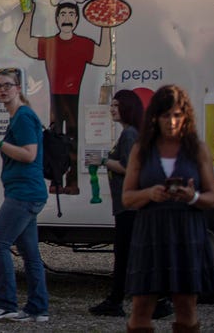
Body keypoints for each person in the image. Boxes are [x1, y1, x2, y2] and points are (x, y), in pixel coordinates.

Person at [122, 85, 214, 333]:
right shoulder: (141, 149)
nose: (172, 122)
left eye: (177, 115)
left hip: (187, 230)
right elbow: (127, 198)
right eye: (166, 116)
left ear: (185, 116)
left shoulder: (197, 149)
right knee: (141, 307)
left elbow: (212, 198)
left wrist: (192, 196)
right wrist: (149, 193)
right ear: (155, 117)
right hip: (150, 231)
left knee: (186, 307)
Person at [16, 0, 111, 194]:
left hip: (74, 96)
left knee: (73, 139)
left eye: (71, 14)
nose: (67, 19)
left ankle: (72, 182)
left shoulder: (84, 44)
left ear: (76, 19)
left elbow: (104, 57)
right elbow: (23, 43)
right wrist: (28, 15)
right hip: (56, 96)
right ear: (57, 19)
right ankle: (56, 180)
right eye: (63, 14)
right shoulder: (50, 43)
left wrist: (105, 28)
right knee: (55, 139)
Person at [0, 70, 49, 322]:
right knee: (30, 253)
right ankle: (38, 308)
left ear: (18, 88)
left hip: (24, 193)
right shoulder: (19, 116)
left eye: (8, 85)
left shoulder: (22, 117)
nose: (2, 90)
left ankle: (6, 302)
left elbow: (29, 154)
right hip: (27, 192)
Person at [87, 90, 160, 317]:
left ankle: (117, 301)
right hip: (133, 205)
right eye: (112, 105)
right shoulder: (134, 133)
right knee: (133, 256)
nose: (112, 109)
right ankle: (154, 302)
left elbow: (130, 168)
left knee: (125, 255)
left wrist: (102, 161)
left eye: (117, 105)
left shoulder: (129, 135)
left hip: (129, 206)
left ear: (128, 108)